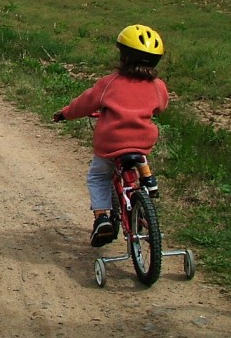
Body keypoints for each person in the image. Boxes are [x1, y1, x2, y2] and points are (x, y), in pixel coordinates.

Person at [53, 24, 169, 247]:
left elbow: (84, 104)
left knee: (98, 176)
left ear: (123, 56)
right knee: (138, 146)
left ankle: (102, 217)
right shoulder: (158, 86)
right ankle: (148, 180)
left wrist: (65, 114)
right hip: (143, 142)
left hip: (111, 143)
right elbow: (160, 107)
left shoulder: (109, 83)